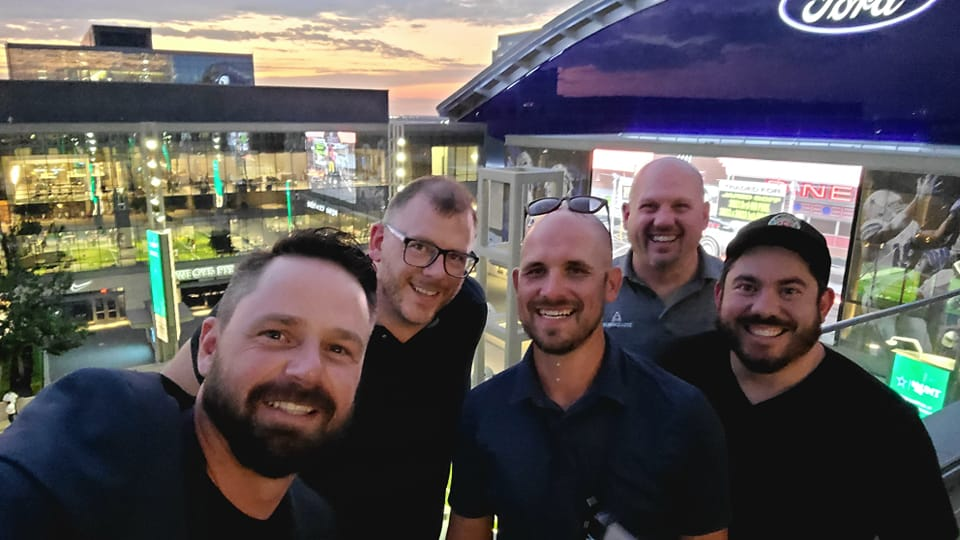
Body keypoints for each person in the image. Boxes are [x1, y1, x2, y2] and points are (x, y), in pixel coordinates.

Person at [163, 175, 488, 540]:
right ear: (378, 242)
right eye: (419, 247)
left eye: (455, 257)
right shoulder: (304, 297)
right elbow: (170, 394)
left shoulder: (465, 310)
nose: (436, 272)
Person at [0, 227, 379, 539]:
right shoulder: (99, 433)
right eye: (276, 335)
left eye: (338, 349)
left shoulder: (315, 522)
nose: (308, 370)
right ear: (209, 347)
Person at [662, 212, 959, 540]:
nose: (765, 308)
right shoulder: (672, 374)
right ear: (719, 296)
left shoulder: (885, 426)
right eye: (747, 286)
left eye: (790, 290)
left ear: (823, 305)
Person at [446, 201, 729, 540]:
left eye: (576, 270)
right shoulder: (483, 411)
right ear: (518, 283)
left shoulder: (682, 415)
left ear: (611, 284)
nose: (552, 290)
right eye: (536, 271)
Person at [603, 157, 722, 359]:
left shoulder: (735, 291)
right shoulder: (595, 289)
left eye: (680, 206)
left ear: (704, 216)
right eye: (649, 206)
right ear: (626, 216)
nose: (663, 221)